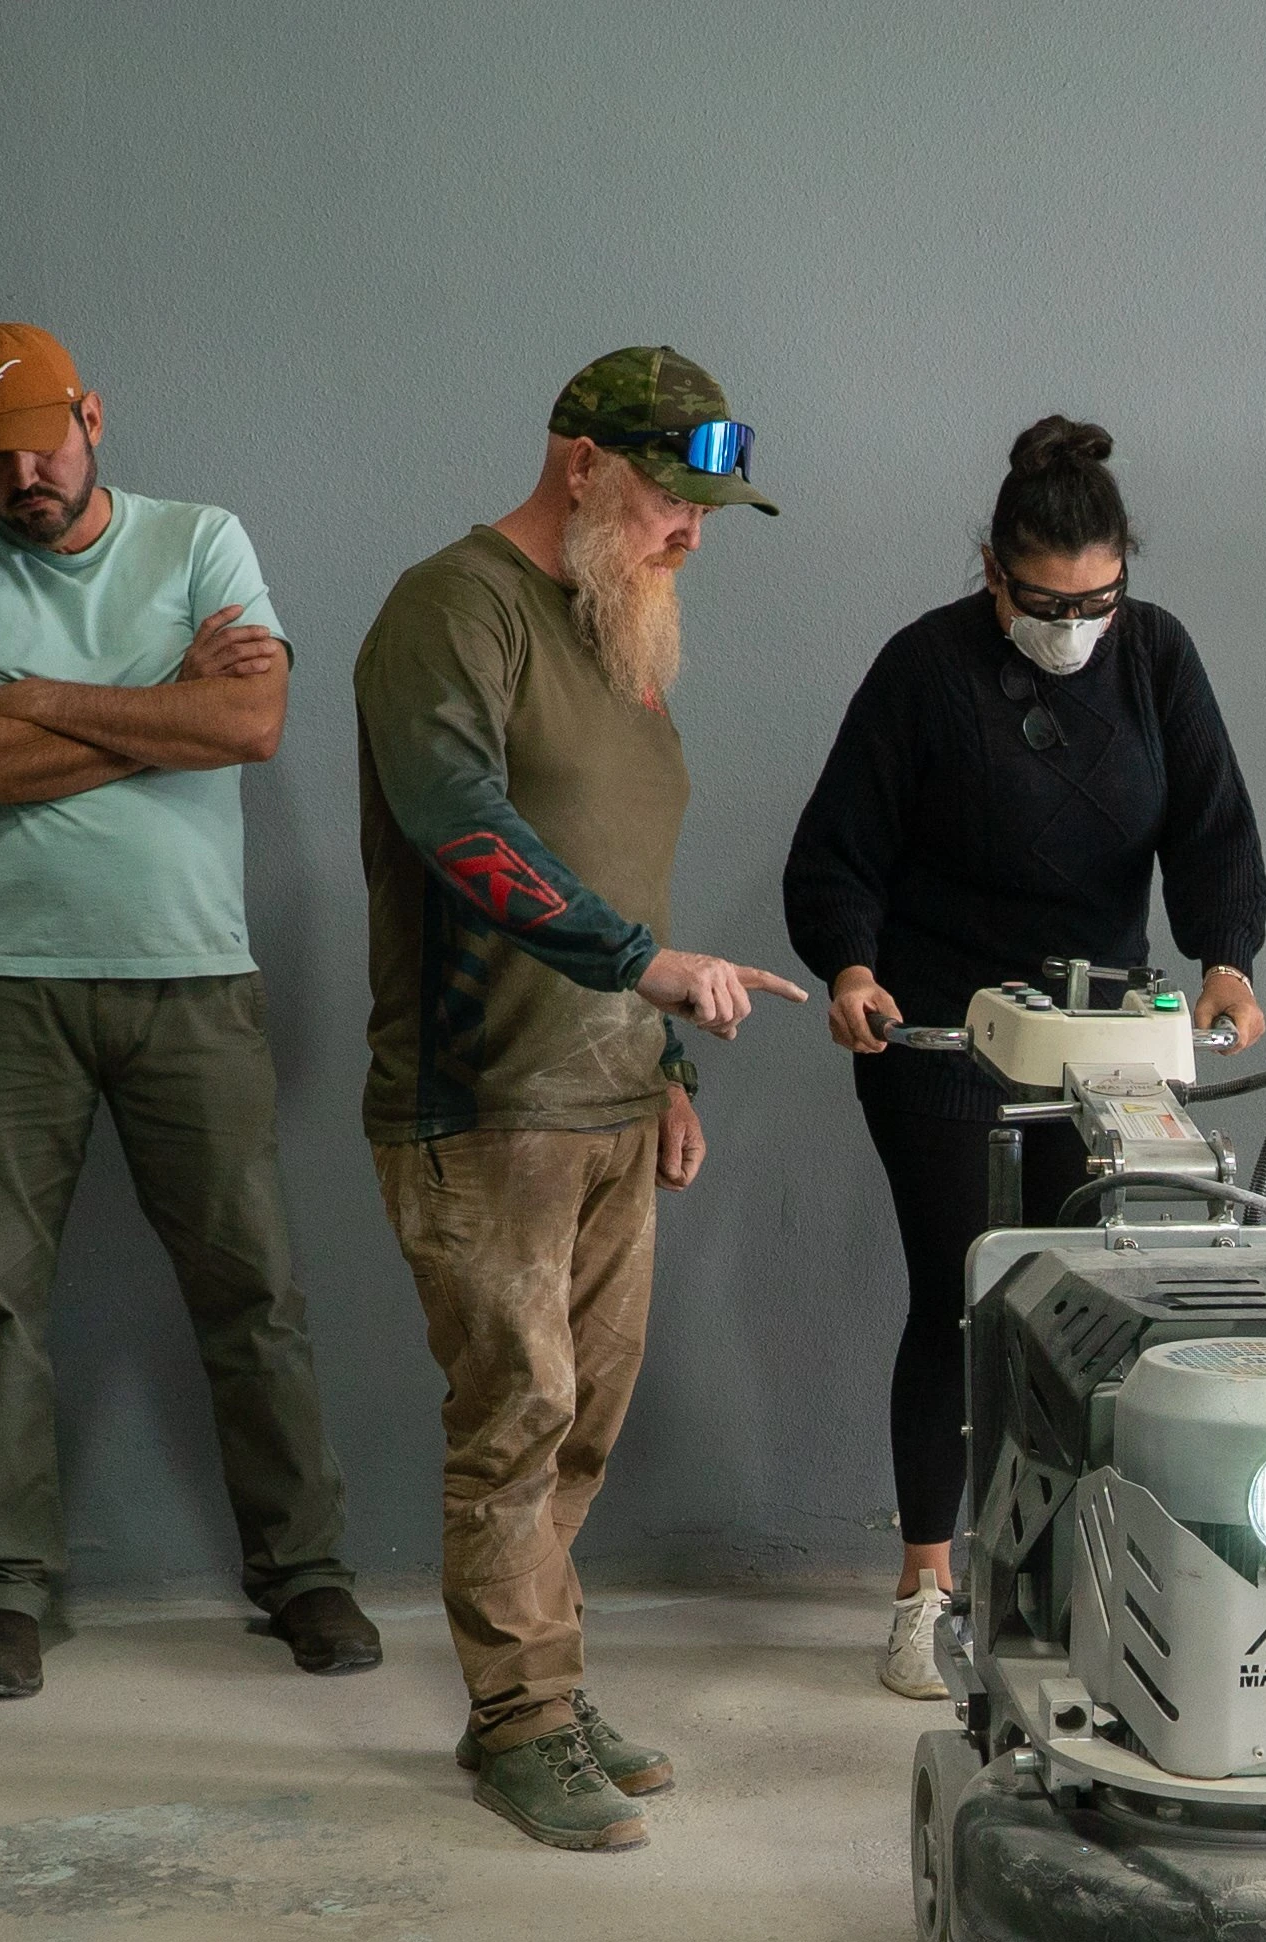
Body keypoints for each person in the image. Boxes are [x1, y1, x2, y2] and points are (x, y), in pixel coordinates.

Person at [0, 323, 378, 1703]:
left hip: (191, 973)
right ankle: (4, 1588)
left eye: (41, 444)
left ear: (91, 416)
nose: (22, 478)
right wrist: (163, 705)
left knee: (253, 1287)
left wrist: (34, 700)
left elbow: (251, 726)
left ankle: (305, 1571)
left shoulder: (203, 539)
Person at [350, 346, 808, 1850]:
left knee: (584, 1424)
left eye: (707, 512)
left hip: (610, 1096)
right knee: (517, 1412)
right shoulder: (451, 609)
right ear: (581, 464)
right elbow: (458, 824)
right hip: (483, 1100)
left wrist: (663, 1063)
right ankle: (519, 1720)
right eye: (673, 500)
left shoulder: (621, 627)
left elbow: (626, 860)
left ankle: (539, 1680)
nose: (690, 534)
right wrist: (644, 970)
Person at [786, 416, 1266, 1697]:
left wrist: (1226, 959)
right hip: (941, 1027)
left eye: (1097, 601)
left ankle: (1065, 1572)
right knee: (962, 1296)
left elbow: (1213, 828)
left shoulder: (1154, 656)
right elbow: (838, 850)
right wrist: (850, 970)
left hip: (1098, 1035)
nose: (1074, 626)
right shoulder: (925, 669)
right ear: (994, 575)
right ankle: (926, 1588)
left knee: (1079, 1307)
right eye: (1047, 604)